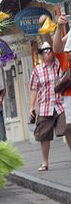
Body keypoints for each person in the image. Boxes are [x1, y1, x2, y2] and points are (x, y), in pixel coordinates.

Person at [29, 42, 71, 171]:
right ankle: (45, 162)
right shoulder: (37, 70)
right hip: (44, 106)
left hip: (60, 104)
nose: (48, 53)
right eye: (45, 51)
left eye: (50, 50)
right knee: (44, 135)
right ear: (41, 54)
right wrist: (31, 107)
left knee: (68, 128)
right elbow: (33, 89)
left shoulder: (58, 65)